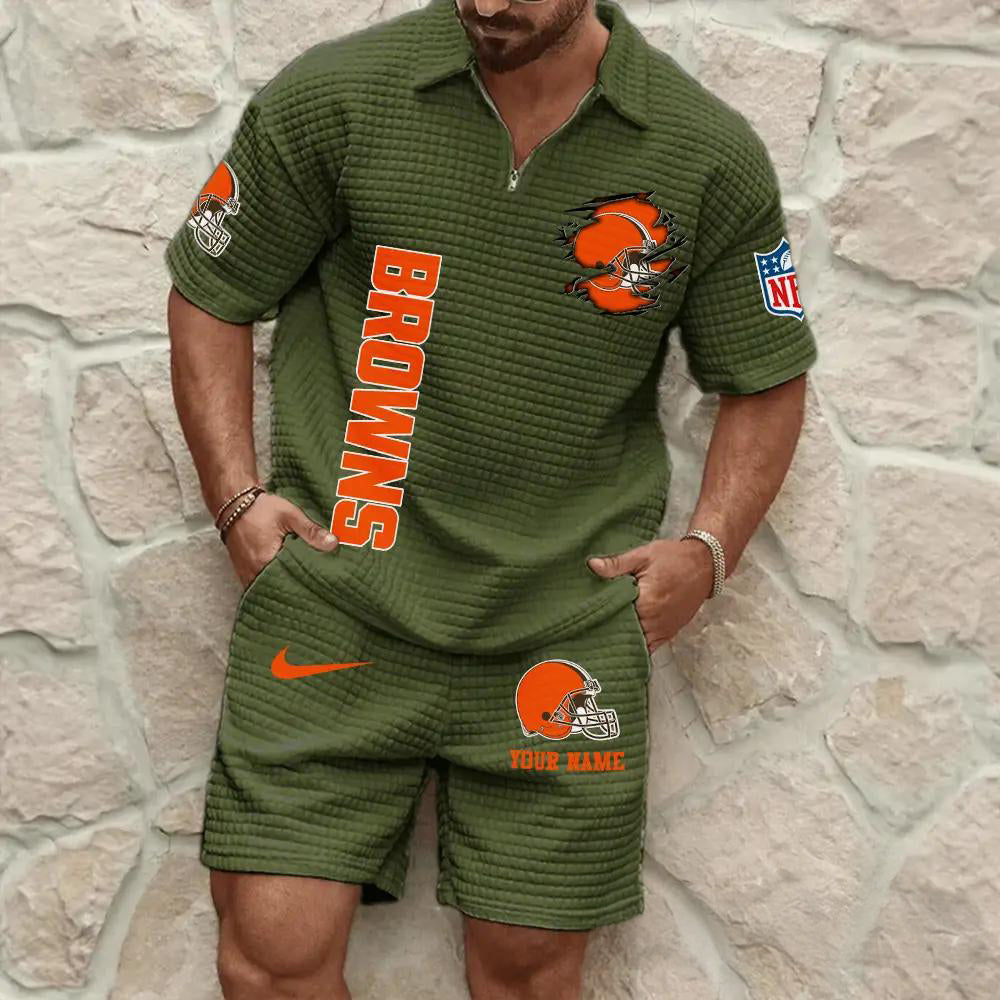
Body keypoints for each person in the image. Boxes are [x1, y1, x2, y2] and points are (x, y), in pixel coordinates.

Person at [165, 0, 818, 996]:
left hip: (559, 631)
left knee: (527, 979)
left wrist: (709, 548)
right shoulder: (336, 98)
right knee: (270, 962)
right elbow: (212, 287)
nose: (490, 4)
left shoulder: (704, 153)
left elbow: (766, 374)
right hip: (338, 608)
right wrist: (235, 496)